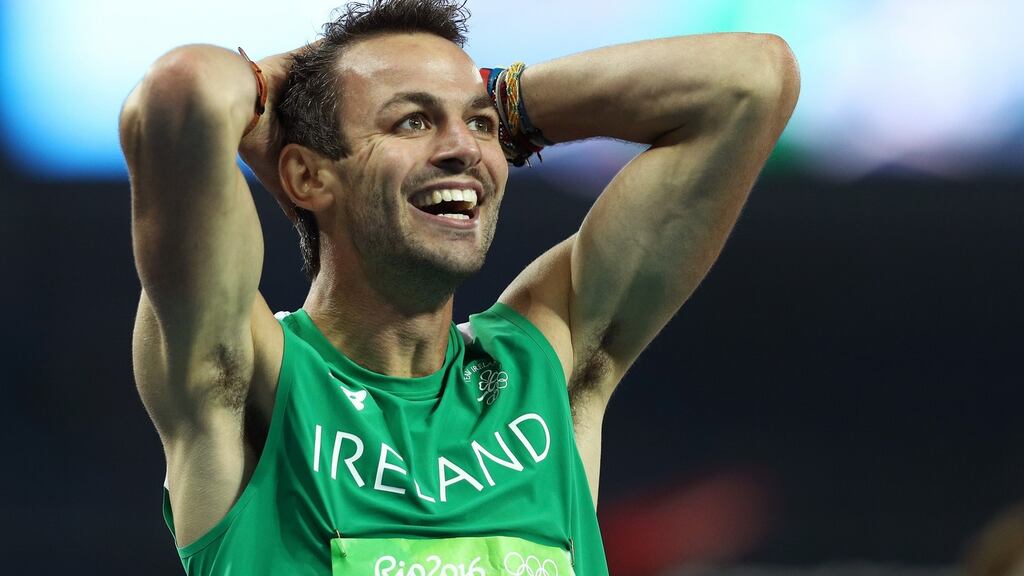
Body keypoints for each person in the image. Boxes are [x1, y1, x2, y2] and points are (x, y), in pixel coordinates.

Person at [119, 0, 799, 573]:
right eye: (411, 122)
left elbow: (753, 80)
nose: (465, 149)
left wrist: (501, 100)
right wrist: (293, 81)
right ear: (305, 176)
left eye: (478, 126)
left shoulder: (551, 371)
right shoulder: (244, 383)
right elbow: (185, 91)